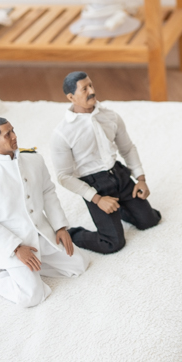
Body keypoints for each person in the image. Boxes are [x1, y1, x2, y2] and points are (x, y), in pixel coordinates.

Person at [0, 117, 87, 308]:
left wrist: (60, 227)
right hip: (15, 244)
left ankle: (26, 270)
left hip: (42, 235)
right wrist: (15, 248)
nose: (15, 136)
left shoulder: (33, 158)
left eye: (13, 130)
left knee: (79, 264)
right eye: (8, 134)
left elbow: (48, 191)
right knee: (32, 296)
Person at [47, 72, 161, 254]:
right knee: (113, 243)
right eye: (85, 89)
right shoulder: (62, 134)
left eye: (91, 85)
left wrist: (140, 178)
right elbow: (63, 176)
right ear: (71, 97)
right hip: (95, 185)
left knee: (150, 220)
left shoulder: (111, 116)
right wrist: (97, 199)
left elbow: (127, 148)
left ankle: (122, 207)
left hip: (119, 174)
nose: (92, 91)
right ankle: (72, 233)